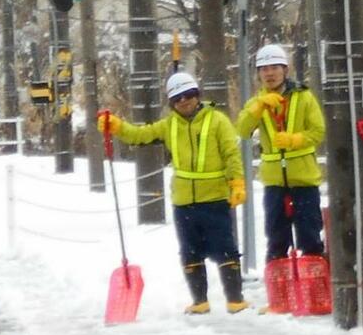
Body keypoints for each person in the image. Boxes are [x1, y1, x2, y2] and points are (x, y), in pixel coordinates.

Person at [97, 72, 249, 315]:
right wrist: (116, 127)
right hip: (184, 202)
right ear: (171, 103)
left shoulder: (218, 121)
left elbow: (232, 154)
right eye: (178, 98)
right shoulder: (169, 125)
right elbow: (140, 135)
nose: (184, 101)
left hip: (216, 198)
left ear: (197, 96)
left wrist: (237, 182)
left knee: (226, 249)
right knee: (190, 251)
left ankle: (235, 298)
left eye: (188, 96)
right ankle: (200, 301)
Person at [236, 43, 326, 276]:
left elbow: (318, 131)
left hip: (304, 180)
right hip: (274, 181)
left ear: (285, 70)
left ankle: (314, 287)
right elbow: (243, 130)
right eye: (264, 69)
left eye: (274, 67)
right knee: (276, 239)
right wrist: (258, 108)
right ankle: (279, 289)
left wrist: (295, 140)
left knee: (310, 237)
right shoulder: (257, 101)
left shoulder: (303, 97)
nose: (269, 73)